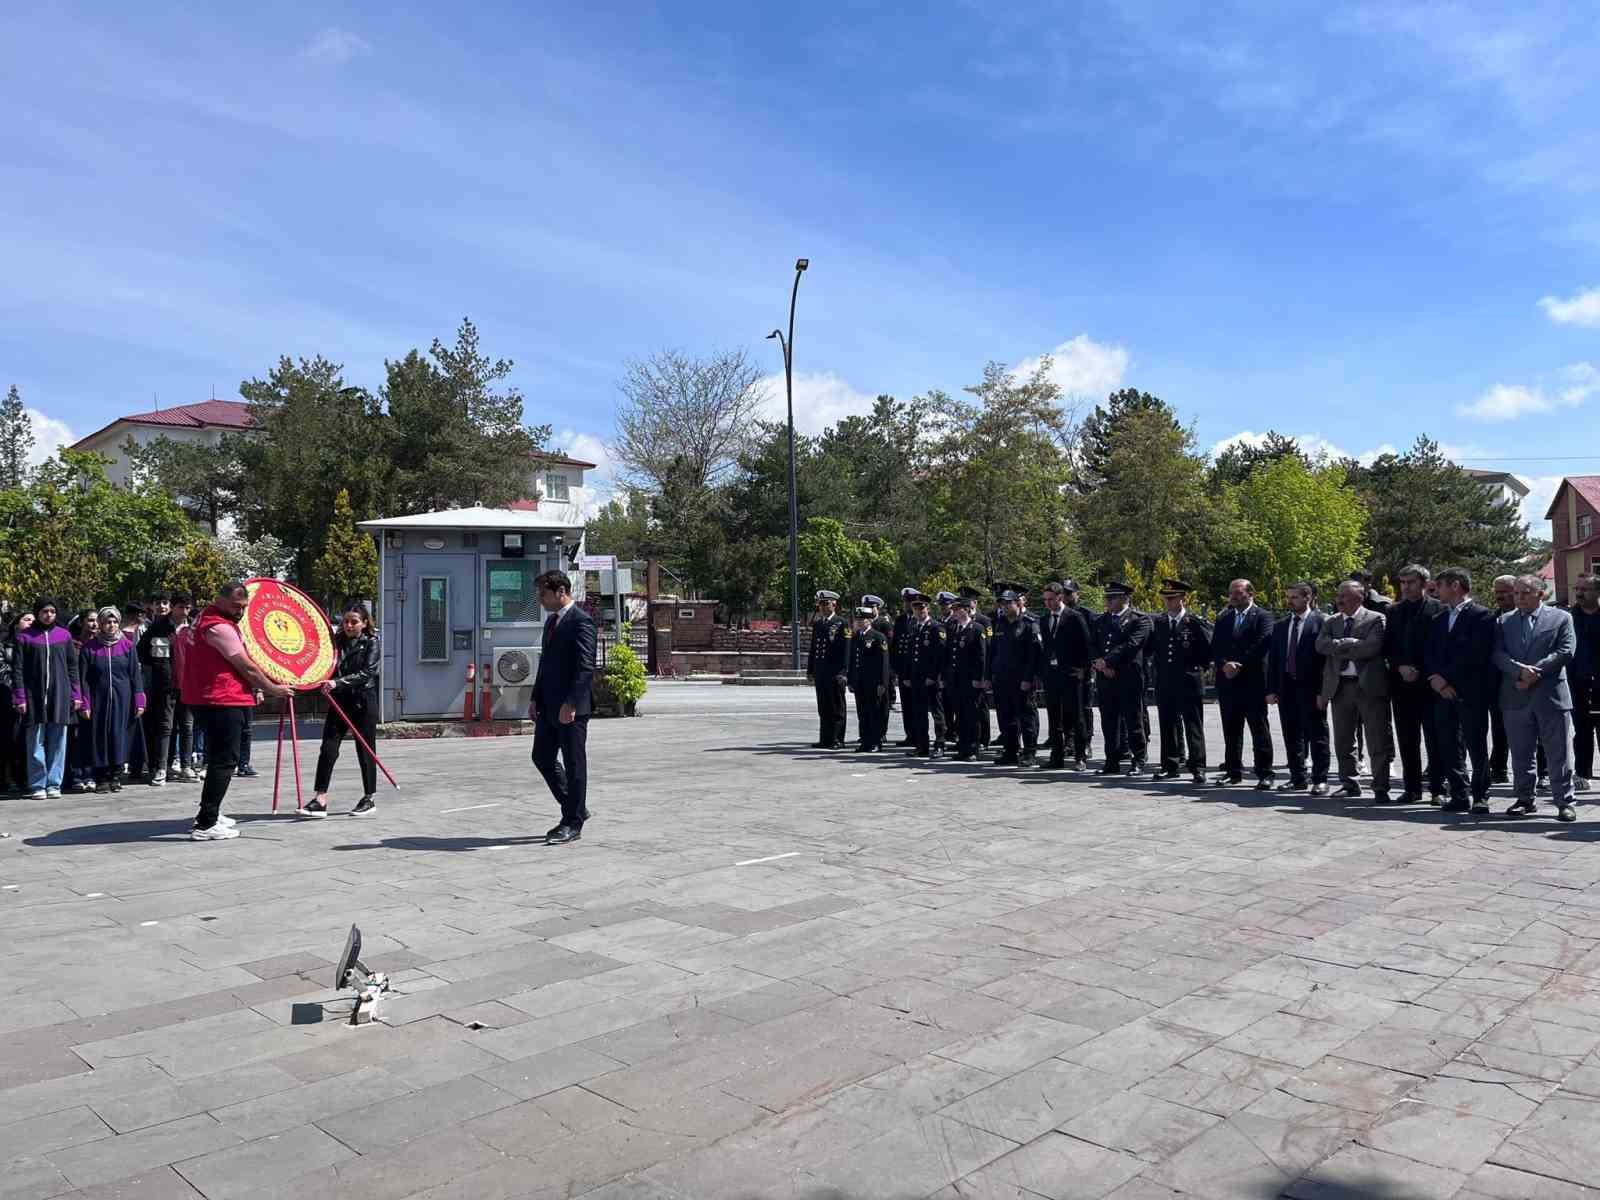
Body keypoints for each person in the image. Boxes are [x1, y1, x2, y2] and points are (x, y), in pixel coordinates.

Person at [181, 582, 292, 841]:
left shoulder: (205, 618)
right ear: (219, 600)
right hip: (221, 699)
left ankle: (209, 812)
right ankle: (206, 824)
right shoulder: (218, 627)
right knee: (225, 760)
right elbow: (247, 667)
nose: (240, 612)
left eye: (243, 607)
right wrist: (273, 688)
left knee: (217, 758)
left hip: (209, 698)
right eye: (235, 606)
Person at [1493, 574, 1578, 821]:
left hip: (1551, 695)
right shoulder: (1503, 621)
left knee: (1558, 752)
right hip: (1516, 694)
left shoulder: (1561, 618)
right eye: (1516, 593)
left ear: (1541, 594)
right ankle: (1524, 799)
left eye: (1525, 593)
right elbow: (1497, 654)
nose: (1519, 598)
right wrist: (1520, 672)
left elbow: (1566, 650)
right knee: (1521, 752)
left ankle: (1565, 801)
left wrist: (1536, 671)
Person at [1423, 568, 1496, 815]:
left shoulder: (1482, 616)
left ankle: (1480, 795)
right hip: (1441, 692)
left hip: (1470, 690)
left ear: (1455, 585)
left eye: (1440, 586)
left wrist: (1447, 679)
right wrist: (1435, 679)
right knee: (1448, 743)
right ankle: (1459, 793)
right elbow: (1430, 652)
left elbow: (1476, 653)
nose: (1436, 592)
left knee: (1476, 744)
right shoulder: (1439, 619)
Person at [530, 569, 596, 845]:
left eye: (543, 594)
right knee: (542, 757)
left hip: (571, 708)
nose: (540, 599)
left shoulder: (581, 622)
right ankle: (576, 806)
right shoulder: (551, 622)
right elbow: (545, 664)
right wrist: (535, 697)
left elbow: (585, 667)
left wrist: (571, 703)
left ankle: (572, 823)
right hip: (548, 705)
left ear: (561, 591)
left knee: (573, 762)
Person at [1317, 581, 1394, 804]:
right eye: (1338, 595)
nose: (1339, 599)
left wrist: (1340, 646)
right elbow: (1320, 645)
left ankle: (1381, 786)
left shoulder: (1375, 618)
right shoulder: (1331, 621)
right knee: (1343, 740)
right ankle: (1349, 784)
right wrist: (1350, 643)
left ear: (1359, 598)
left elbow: (1372, 648)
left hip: (1369, 687)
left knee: (1377, 739)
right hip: (1340, 686)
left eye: (1344, 596)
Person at [305, 605, 383, 817]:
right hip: (339, 701)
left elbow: (367, 672)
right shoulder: (335, 642)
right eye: (346, 621)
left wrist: (337, 682)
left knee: (365, 750)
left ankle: (369, 797)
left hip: (363, 702)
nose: (348, 625)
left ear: (364, 623)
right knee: (328, 748)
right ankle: (320, 798)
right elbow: (324, 663)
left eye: (354, 622)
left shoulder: (372, 642)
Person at [1385, 565, 1447, 805]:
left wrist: (1422, 670)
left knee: (1435, 738)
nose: (1405, 587)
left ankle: (1438, 788)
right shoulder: (1393, 611)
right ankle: (1412, 789)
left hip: (1431, 684)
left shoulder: (1439, 609)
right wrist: (1400, 666)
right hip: (1402, 685)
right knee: (1407, 738)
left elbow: (1440, 647)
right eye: (1402, 582)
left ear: (1424, 583)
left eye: (1410, 582)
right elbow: (1388, 646)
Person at [11, 598, 83, 800]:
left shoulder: (64, 635)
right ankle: (38, 784)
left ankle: (53, 783)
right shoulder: (24, 637)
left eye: (52, 611)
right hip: (33, 696)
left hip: (60, 695)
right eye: (44, 611)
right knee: (35, 742)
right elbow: (17, 669)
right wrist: (20, 697)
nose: (48, 615)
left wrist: (76, 694)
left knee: (58, 741)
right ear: (37, 613)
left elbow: (72, 667)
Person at [1266, 582, 1330, 796]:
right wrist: (1271, 689)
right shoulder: (1281, 625)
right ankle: (1297, 778)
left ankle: (1320, 779)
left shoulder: (1321, 622)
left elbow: (1326, 661)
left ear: (1307, 597)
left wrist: (1322, 691)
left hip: (1311, 688)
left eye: (1294, 597)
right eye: (1289, 597)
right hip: (1286, 686)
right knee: (1292, 734)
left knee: (1317, 734)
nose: (1290, 601)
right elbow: (1274, 660)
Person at [1211, 579, 1275, 789]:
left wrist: (1239, 664)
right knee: (1231, 729)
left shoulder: (1263, 616)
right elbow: (1216, 646)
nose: (1233, 596)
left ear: (1250, 593)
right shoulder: (1224, 618)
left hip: (1252, 681)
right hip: (1228, 682)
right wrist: (1224, 664)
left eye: (1238, 593)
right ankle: (1233, 771)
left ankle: (1264, 772)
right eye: (1231, 593)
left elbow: (1262, 643)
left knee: (1259, 729)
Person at [1148, 579, 1210, 784]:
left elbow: (1206, 651)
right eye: (1166, 598)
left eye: (1172, 598)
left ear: (1183, 598)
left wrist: (1196, 670)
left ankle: (1198, 766)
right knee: (1168, 725)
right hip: (1166, 682)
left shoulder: (1194, 622)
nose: (1168, 602)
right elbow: (1152, 649)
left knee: (1193, 726)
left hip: (1189, 682)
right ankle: (1170, 765)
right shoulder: (1159, 623)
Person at [79, 607, 146, 793]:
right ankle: (101, 777)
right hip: (98, 699)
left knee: (119, 734)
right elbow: (83, 678)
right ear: (101, 624)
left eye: (115, 622)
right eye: (107, 622)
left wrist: (139, 700)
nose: (111, 625)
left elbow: (135, 675)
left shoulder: (127, 646)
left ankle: (116, 775)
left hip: (122, 698)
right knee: (99, 735)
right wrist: (85, 702)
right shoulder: (89, 648)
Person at [1091, 581, 1152, 776]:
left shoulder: (1139, 619)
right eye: (1107, 597)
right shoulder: (1101, 620)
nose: (1108, 601)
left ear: (1125, 598)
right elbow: (1092, 644)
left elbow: (1132, 645)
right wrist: (1099, 663)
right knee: (1109, 721)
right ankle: (1111, 760)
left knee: (1133, 720)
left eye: (1112, 598)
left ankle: (1138, 759)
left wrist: (1107, 662)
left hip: (1128, 676)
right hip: (1105, 677)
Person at [1037, 581, 1092, 771]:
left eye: (1051, 599)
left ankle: (1080, 756)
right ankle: (1056, 756)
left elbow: (1086, 646)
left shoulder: (1074, 617)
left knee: (1076, 716)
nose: (1047, 603)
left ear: (1060, 597)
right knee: (1054, 717)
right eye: (1045, 600)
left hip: (1071, 674)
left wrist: (1083, 672)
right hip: (1052, 675)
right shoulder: (1045, 620)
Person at [989, 587, 1040, 766]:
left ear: (1017, 603)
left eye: (1007, 603)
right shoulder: (999, 623)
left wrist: (1028, 679)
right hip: (1002, 678)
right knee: (1006, 716)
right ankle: (1010, 750)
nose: (1004, 606)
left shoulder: (1028, 623)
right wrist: (989, 675)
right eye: (1002, 603)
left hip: (1021, 680)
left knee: (1026, 717)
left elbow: (1033, 655)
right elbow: (993, 651)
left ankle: (1029, 752)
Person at [138, 593, 179, 787]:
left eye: (165, 603)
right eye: (158, 603)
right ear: (152, 606)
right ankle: (156, 765)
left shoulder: (181, 627)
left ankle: (170, 764)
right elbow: (141, 652)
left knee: (177, 726)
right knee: (157, 725)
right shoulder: (152, 628)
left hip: (178, 684)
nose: (162, 606)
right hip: (156, 685)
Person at [903, 592, 948, 759]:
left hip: (931, 678)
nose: (918, 611)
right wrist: (907, 675)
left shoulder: (936, 627)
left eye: (921, 607)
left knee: (937, 712)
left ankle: (940, 744)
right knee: (919, 712)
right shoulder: (914, 627)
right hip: (916, 677)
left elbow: (940, 655)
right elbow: (910, 654)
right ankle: (922, 746)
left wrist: (933, 676)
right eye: (915, 608)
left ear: (927, 608)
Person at [946, 595, 988, 760]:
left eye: (958, 609)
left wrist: (980, 678)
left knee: (972, 715)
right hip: (956, 679)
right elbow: (949, 654)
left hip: (971, 679)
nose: (955, 612)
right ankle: (962, 747)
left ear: (967, 610)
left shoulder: (977, 628)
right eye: (954, 609)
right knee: (960, 714)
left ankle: (973, 748)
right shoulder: (952, 627)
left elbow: (981, 656)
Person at [806, 590, 848, 750]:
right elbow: (813, 649)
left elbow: (846, 650)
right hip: (821, 671)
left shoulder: (841, 623)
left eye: (826, 604)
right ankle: (825, 738)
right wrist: (810, 670)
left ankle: (837, 739)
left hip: (835, 672)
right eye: (820, 604)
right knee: (823, 707)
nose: (823, 607)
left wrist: (843, 672)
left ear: (834, 604)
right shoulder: (818, 624)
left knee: (837, 706)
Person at [1569, 573, 1599, 792]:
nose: (1579, 593)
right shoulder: (1568, 617)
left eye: (1585, 589)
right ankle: (1582, 773)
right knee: (1582, 730)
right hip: (1577, 682)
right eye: (1577, 589)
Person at [846, 606, 891, 752]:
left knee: (874, 712)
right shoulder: (856, 637)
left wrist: (882, 683)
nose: (859, 622)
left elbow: (883, 663)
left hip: (873, 682)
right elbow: (853, 661)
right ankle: (865, 741)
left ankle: (876, 742)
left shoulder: (878, 637)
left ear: (870, 620)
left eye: (863, 619)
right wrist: (851, 680)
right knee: (862, 713)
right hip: (860, 682)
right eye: (857, 619)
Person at [1487, 574, 1518, 783]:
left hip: (1526, 679)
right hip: (1497, 682)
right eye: (1497, 592)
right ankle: (1498, 768)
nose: (1500, 596)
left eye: (1505, 591)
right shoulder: (1490, 619)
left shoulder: (1527, 617)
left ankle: (1542, 771)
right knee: (1499, 727)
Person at [0, 613, 33, 793]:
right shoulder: (4, 646)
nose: (31, 622)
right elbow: (3, 672)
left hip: (33, 698)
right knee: (10, 738)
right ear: (15, 625)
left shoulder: (37, 645)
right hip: (9, 697)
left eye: (33, 620)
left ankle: (26, 777)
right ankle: (9, 777)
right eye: (27, 619)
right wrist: (18, 691)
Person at [168, 593, 197, 781]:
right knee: (168, 728)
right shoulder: (162, 628)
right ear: (173, 607)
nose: (184, 612)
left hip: (188, 686)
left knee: (187, 727)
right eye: (181, 607)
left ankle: (186, 765)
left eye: (187, 608)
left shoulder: (194, 629)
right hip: (168, 686)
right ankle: (167, 764)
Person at [890, 588, 917, 746]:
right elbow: (895, 645)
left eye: (910, 602)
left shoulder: (920, 619)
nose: (907, 605)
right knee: (906, 703)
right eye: (906, 602)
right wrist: (894, 666)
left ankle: (919, 735)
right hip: (902, 669)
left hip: (916, 668)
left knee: (916, 704)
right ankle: (910, 735)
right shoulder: (900, 620)